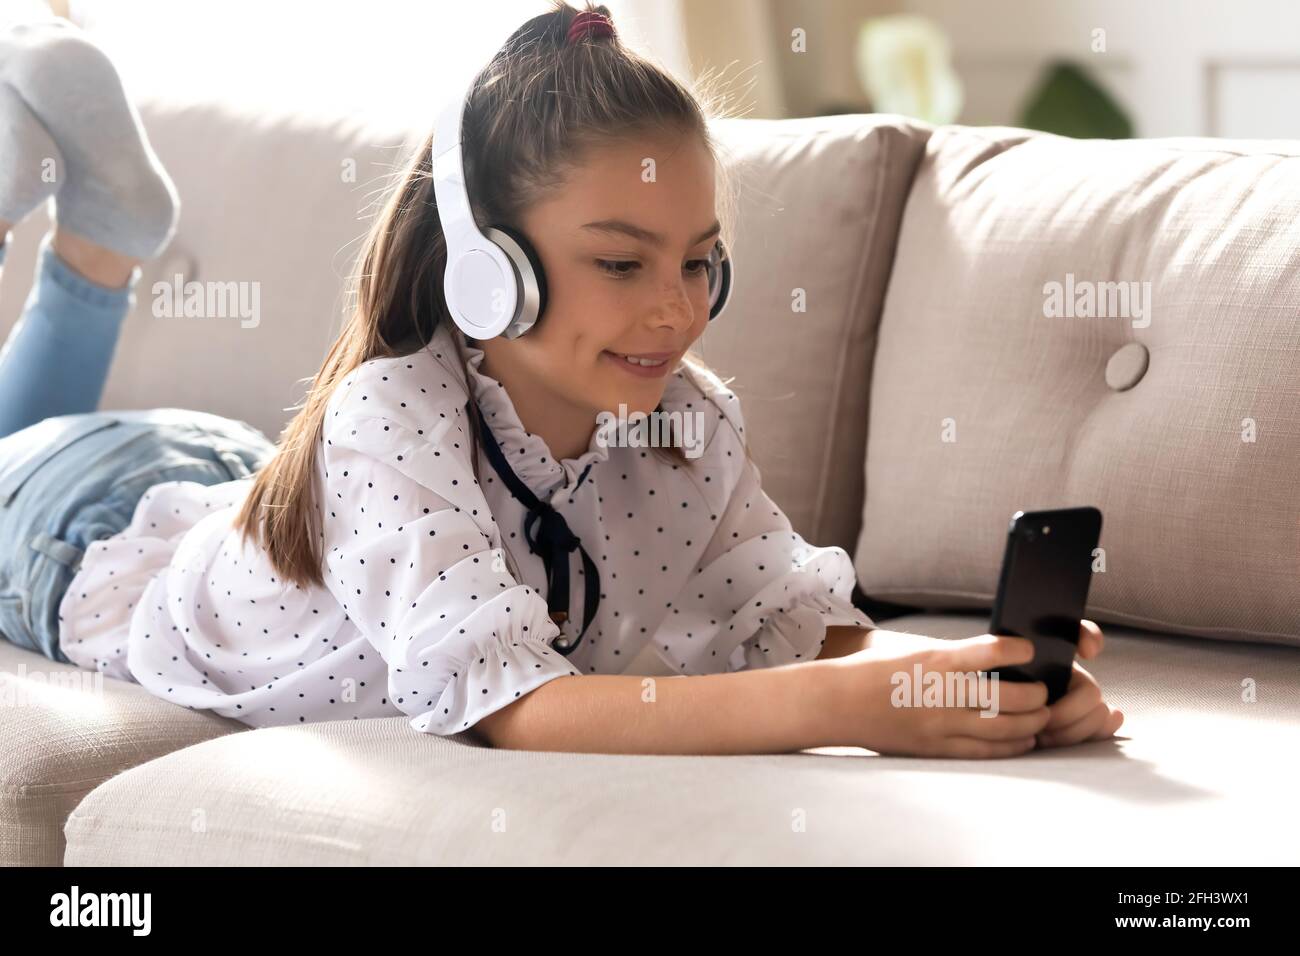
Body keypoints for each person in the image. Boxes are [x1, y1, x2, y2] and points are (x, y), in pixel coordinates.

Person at [0, 2, 1123, 757]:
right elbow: (512, 705)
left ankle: (94, 239)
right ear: (489, 271)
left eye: (698, 261)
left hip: (246, 487)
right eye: (622, 261)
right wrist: (854, 710)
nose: (675, 305)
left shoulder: (685, 422)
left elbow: (793, 620)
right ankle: (93, 254)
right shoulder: (390, 414)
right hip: (83, 524)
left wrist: (961, 678)